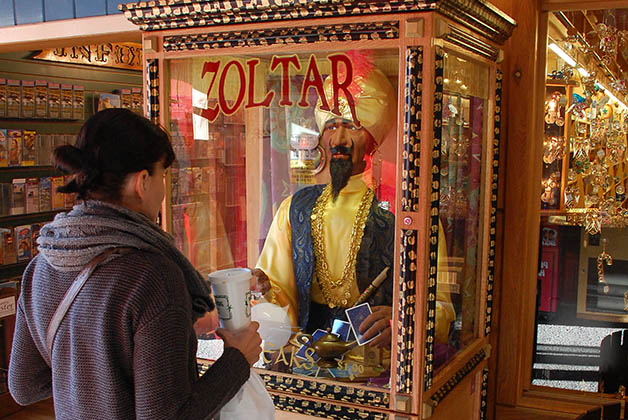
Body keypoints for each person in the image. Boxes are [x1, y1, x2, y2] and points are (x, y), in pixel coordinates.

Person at [8, 108, 262, 420]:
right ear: (142, 181)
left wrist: (97, 375)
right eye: (163, 175)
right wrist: (237, 359)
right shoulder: (152, 276)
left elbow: (25, 385)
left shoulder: (41, 267)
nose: (163, 189)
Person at [254, 54, 397, 348]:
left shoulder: (399, 207)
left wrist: (400, 320)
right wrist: (263, 290)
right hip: (310, 353)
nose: (339, 140)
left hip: (378, 358)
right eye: (331, 127)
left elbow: (438, 304)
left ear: (372, 137)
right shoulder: (296, 208)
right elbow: (278, 291)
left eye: (352, 127)